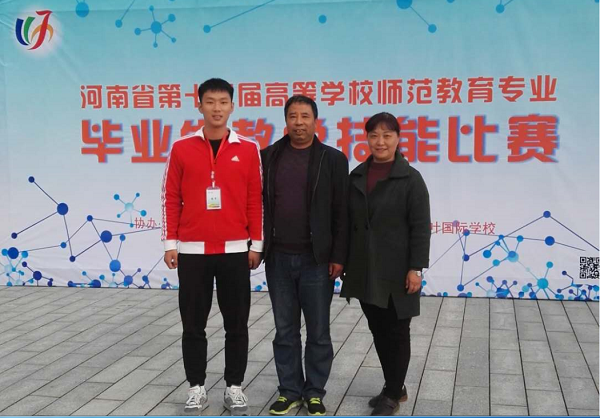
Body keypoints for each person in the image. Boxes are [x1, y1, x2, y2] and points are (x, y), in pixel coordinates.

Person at [161, 78, 263, 415]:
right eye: (210, 101)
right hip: (192, 251)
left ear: (232, 106)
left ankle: (234, 387)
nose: (216, 108)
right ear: (199, 105)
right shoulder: (181, 148)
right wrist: (170, 243)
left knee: (237, 324)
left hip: (235, 251)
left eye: (222, 102)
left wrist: (256, 244)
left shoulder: (248, 148)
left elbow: (255, 200)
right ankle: (196, 387)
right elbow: (170, 196)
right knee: (193, 325)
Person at [261, 95, 349, 416]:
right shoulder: (268, 156)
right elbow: (257, 206)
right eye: (293, 116)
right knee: (284, 331)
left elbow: (342, 213)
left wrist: (338, 256)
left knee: (318, 332)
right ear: (285, 120)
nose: (299, 122)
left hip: (317, 260)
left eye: (305, 116)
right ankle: (289, 391)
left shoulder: (333, 160)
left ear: (316, 120)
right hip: (278, 258)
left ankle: (314, 392)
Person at [340, 112, 431, 416]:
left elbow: (421, 227)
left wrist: (416, 268)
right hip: (365, 268)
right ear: (367, 138)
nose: (380, 141)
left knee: (397, 330)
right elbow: (346, 223)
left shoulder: (410, 178)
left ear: (398, 138)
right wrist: (342, 261)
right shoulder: (356, 176)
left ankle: (392, 393)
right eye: (374, 135)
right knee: (378, 329)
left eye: (387, 135)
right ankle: (395, 385)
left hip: (397, 269)